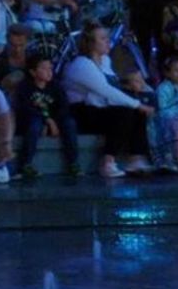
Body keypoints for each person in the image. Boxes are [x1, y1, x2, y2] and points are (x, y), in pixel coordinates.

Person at [62, 22, 155, 179]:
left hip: (101, 107)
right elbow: (105, 90)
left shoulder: (105, 60)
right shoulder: (81, 64)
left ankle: (136, 158)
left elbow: (113, 86)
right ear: (91, 43)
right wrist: (138, 104)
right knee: (127, 111)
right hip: (82, 111)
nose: (108, 42)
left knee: (134, 112)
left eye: (107, 38)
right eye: (103, 38)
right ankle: (107, 161)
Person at [12, 54, 79, 180]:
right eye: (44, 68)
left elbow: (64, 106)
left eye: (50, 68)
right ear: (33, 72)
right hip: (34, 119)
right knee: (35, 125)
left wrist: (53, 121)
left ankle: (73, 163)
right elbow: (25, 109)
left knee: (69, 123)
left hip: (54, 119)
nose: (49, 72)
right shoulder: (25, 87)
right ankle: (25, 164)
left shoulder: (56, 86)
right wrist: (47, 121)